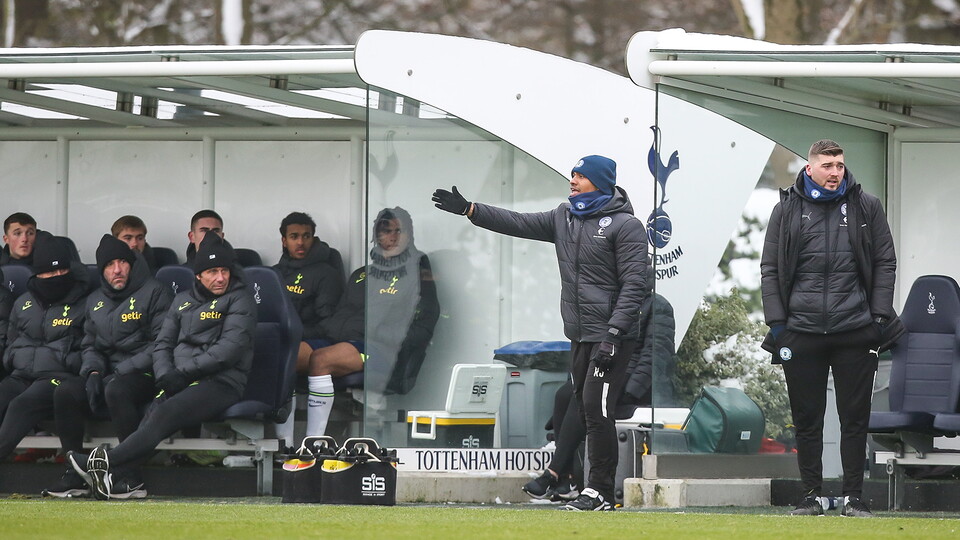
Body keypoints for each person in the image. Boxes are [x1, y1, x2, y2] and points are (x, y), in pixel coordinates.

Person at [433, 155, 647, 511]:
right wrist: (471, 209)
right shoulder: (564, 217)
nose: (573, 179)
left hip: (612, 336)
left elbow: (634, 285)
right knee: (583, 406)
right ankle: (578, 484)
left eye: (580, 175)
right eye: (573, 174)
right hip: (580, 334)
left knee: (597, 409)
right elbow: (518, 222)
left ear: (600, 181)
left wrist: (613, 333)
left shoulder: (626, 226)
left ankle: (601, 492)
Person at [760, 139, 904, 518]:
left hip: (855, 331)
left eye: (839, 164)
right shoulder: (786, 209)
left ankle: (853, 498)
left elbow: (885, 262)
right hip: (800, 332)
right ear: (810, 169)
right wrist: (778, 326)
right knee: (807, 419)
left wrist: (878, 319)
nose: (835, 171)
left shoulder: (865, 205)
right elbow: (770, 269)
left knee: (854, 420)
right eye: (827, 165)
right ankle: (811, 496)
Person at [68, 233, 256, 500]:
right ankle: (126, 480)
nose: (221, 277)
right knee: (152, 416)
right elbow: (163, 344)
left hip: (222, 382)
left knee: (165, 412)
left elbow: (227, 351)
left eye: (224, 270)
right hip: (180, 378)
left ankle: (102, 463)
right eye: (212, 271)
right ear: (199, 276)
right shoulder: (183, 300)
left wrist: (181, 374)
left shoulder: (241, 300)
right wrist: (166, 374)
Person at [523, 263, 677, 501]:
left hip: (634, 384)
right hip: (607, 373)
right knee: (565, 395)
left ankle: (554, 473)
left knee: (586, 398)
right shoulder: (610, 303)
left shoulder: (658, 306)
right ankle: (566, 480)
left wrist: (630, 392)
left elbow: (655, 356)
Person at [41, 235, 173, 498]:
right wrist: (92, 372)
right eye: (110, 264)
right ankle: (75, 474)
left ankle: (130, 476)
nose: (117, 269)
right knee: (66, 391)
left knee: (117, 389)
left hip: (145, 373)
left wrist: (120, 372)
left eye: (123, 262)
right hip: (108, 373)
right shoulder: (95, 300)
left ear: (132, 264)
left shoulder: (156, 291)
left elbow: (161, 344)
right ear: (101, 270)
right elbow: (91, 345)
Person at [300, 207, 439, 439]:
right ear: (376, 235)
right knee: (292, 354)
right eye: (386, 231)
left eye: (399, 231)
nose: (392, 237)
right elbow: (340, 318)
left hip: (385, 352)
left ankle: (313, 442)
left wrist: (380, 335)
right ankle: (283, 443)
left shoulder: (417, 273)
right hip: (349, 342)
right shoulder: (362, 274)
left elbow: (424, 326)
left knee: (321, 359)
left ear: (409, 235)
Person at [0, 236, 90, 461]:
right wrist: (13, 359)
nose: (57, 277)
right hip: (21, 375)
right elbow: (11, 341)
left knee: (21, 406)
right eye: (50, 273)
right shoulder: (23, 302)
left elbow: (89, 348)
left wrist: (66, 362)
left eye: (61, 272)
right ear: (37, 274)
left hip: (56, 378)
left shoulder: (85, 303)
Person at [273, 212, 343, 444]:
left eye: (306, 236)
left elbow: (329, 324)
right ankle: (281, 446)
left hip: (316, 341)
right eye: (294, 236)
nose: (300, 242)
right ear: (284, 240)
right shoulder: (274, 273)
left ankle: (293, 445)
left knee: (284, 358)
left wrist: (294, 337)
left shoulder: (326, 273)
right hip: (282, 342)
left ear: (314, 238)